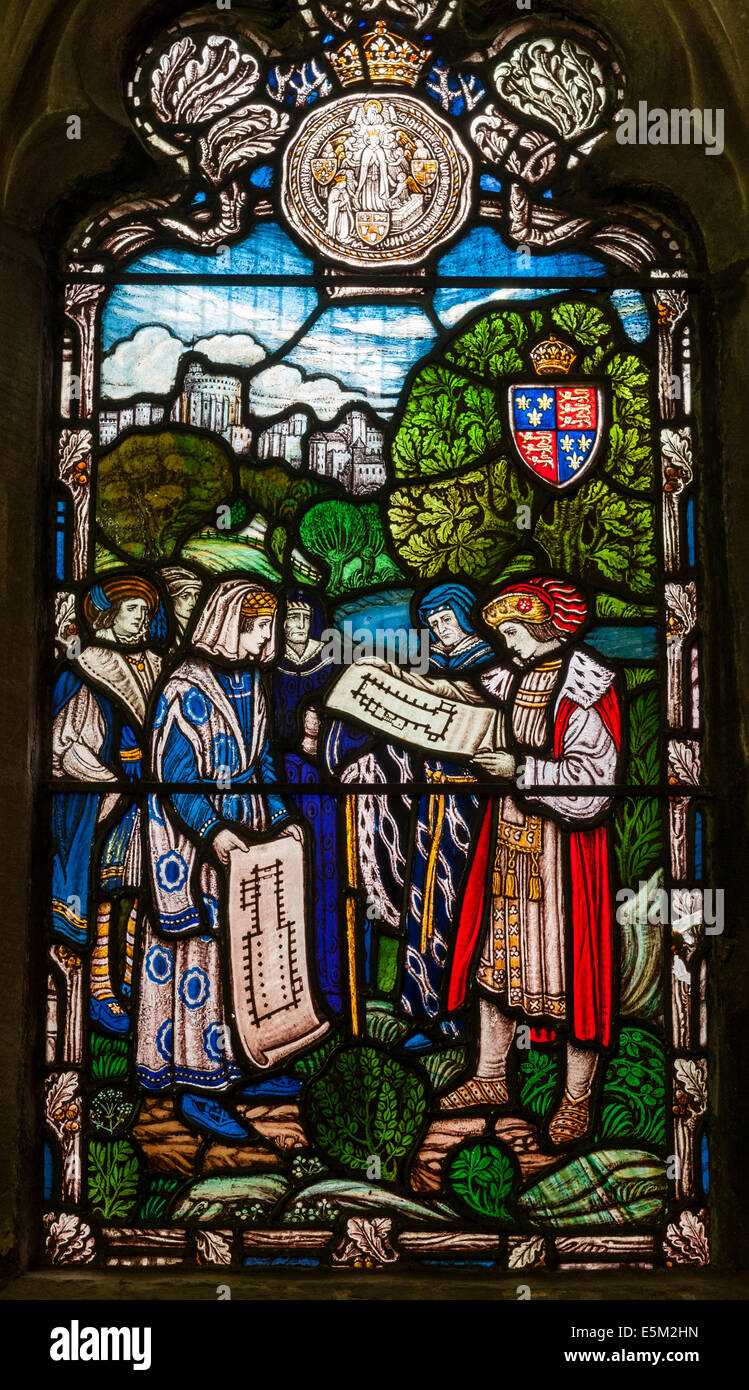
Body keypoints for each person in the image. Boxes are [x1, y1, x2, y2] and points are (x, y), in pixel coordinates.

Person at [441, 577, 621, 1147]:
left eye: (514, 633)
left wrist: (520, 774)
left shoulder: (586, 685)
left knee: (572, 969)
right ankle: (491, 1076)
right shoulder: (511, 678)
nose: (508, 644)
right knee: (500, 953)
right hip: (510, 842)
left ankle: (577, 1098)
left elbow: (596, 785)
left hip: (564, 853)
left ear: (545, 628)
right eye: (502, 635)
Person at [135, 579, 304, 1141]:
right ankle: (196, 1082)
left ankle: (245, 1060)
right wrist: (214, 832)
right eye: (261, 632)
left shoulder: (250, 684)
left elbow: (262, 765)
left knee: (245, 956)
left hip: (245, 839)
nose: (268, 645)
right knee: (198, 959)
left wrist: (282, 819)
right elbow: (173, 779)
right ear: (232, 626)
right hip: (192, 847)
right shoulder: (185, 688)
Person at [51, 574, 162, 1034]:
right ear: (110, 613)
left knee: (144, 892)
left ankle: (138, 985)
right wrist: (109, 780)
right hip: (113, 799)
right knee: (107, 891)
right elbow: (68, 743)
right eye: (134, 609)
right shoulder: (89, 666)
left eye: (146, 611)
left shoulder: (156, 663)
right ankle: (101, 987)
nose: (142, 617)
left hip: (155, 795)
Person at [398, 584, 495, 1036]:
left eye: (445, 619)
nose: (439, 628)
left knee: (461, 908)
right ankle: (421, 1008)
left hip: (472, 802)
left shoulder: (489, 664)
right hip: (432, 798)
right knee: (423, 903)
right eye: (432, 622)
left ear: (464, 616)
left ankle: (457, 1015)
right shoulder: (435, 664)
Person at [272, 593, 343, 1014]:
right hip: (281, 784)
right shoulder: (270, 666)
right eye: (289, 616)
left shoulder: (332, 663)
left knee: (327, 879)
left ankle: (331, 989)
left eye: (303, 615)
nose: (295, 624)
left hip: (325, 784)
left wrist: (322, 738)